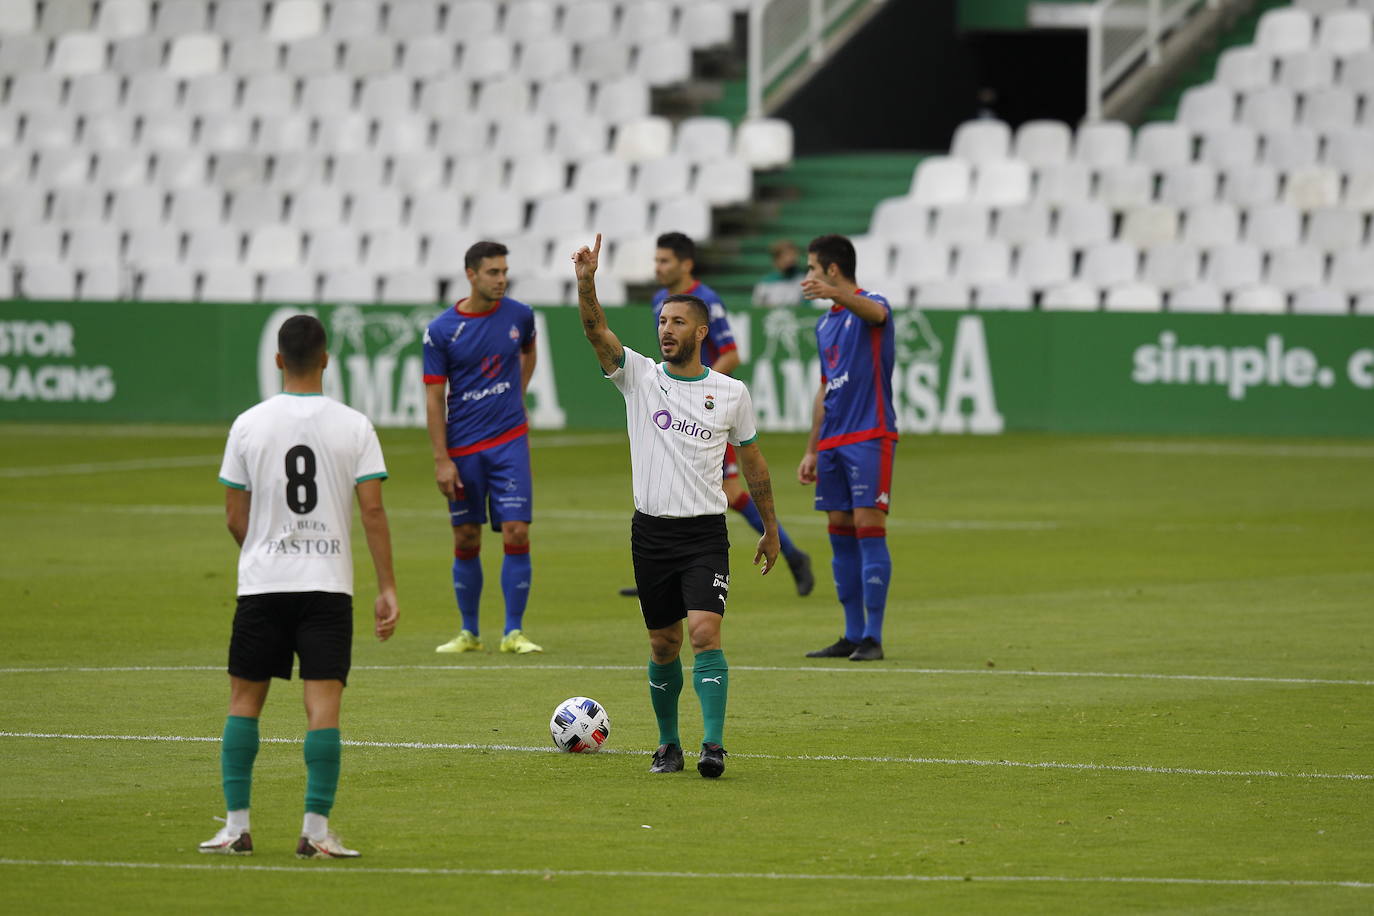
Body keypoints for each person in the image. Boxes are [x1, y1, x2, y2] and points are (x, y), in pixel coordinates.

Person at [573, 233, 781, 778]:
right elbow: (596, 330)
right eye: (662, 323)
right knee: (663, 644)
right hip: (651, 535)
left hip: (705, 535)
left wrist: (771, 527)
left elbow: (754, 463)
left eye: (678, 323)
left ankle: (713, 745)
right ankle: (668, 744)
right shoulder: (638, 377)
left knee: (704, 633)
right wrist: (586, 281)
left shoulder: (730, 393)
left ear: (701, 331)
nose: (666, 331)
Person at [202, 314, 399, 859]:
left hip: (263, 583)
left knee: (244, 701)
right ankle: (314, 832)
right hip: (328, 584)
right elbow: (373, 510)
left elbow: (232, 514)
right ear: (327, 359)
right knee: (323, 709)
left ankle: (236, 827)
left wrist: (267, 550)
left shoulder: (247, 424)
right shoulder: (355, 426)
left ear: (279, 360)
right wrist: (387, 586)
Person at [616, 232, 812, 598]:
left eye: (665, 261)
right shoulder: (662, 300)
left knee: (731, 490)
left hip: (706, 413)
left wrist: (693, 393)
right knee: (717, 489)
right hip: (676, 403)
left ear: (685, 264)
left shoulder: (708, 301)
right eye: (656, 261)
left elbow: (733, 354)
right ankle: (660, 574)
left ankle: (791, 553)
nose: (657, 268)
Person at [425, 241, 543, 655]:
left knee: (516, 529)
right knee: (467, 535)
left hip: (509, 438)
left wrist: (517, 393)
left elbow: (528, 352)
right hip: (463, 447)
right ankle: (469, 632)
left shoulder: (520, 315)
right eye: (493, 272)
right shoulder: (441, 331)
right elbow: (433, 398)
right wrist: (441, 459)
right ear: (471, 274)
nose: (502, 279)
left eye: (504, 271)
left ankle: (513, 631)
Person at [796, 234, 897, 663]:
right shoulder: (824, 324)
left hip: (870, 434)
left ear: (832, 270)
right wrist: (812, 448)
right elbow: (825, 388)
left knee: (867, 526)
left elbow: (876, 313)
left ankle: (873, 635)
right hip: (833, 440)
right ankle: (852, 633)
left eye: (812, 269)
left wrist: (837, 293)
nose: (807, 278)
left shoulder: (871, 304)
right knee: (839, 532)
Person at [751, 239, 805, 307]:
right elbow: (757, 307)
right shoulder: (765, 283)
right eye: (785, 256)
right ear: (776, 260)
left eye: (793, 255)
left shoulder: (803, 280)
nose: (790, 260)